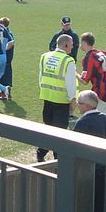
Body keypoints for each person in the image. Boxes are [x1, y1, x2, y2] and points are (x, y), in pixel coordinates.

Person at [36, 34, 77, 162]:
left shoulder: (45, 56)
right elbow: (70, 82)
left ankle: (41, 152)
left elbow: (41, 77)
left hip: (47, 98)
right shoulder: (68, 61)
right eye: (71, 45)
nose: (72, 47)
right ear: (65, 45)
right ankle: (58, 159)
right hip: (61, 101)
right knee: (60, 132)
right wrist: (72, 100)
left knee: (48, 128)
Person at [79, 33, 106, 116]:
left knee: (95, 117)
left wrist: (75, 74)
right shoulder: (103, 53)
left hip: (101, 92)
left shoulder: (89, 57)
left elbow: (84, 81)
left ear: (84, 43)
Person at [0, 17, 15, 89]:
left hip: (6, 57)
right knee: (2, 74)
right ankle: (3, 89)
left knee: (6, 74)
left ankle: (6, 89)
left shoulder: (8, 33)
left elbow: (11, 43)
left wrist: (3, 50)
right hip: (4, 58)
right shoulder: (4, 32)